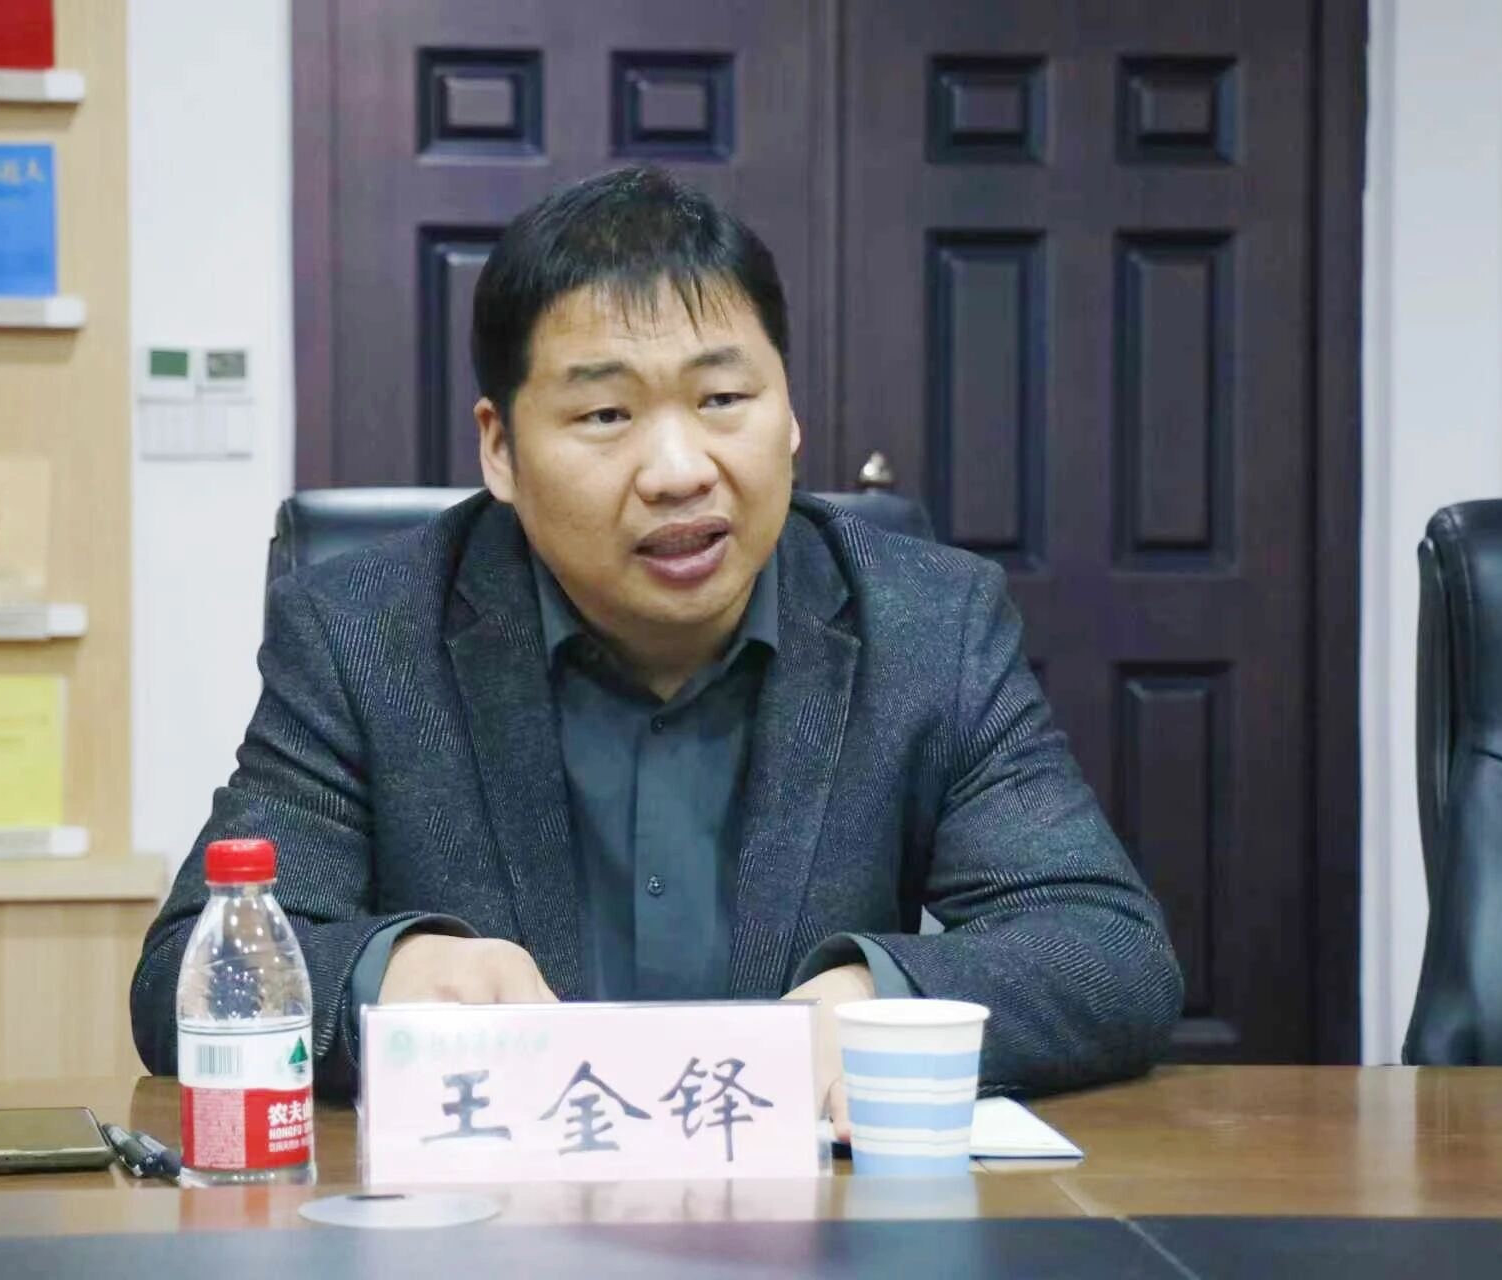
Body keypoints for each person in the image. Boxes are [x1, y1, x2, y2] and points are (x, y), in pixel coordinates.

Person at [131, 166, 1182, 1127]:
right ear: (499, 448)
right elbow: (187, 972)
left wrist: (880, 1001)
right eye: (604, 413)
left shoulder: (928, 624)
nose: (679, 470)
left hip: (818, 1232)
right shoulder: (365, 637)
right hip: (489, 1231)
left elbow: (1106, 947)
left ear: (789, 415)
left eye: (723, 399)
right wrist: (385, 974)